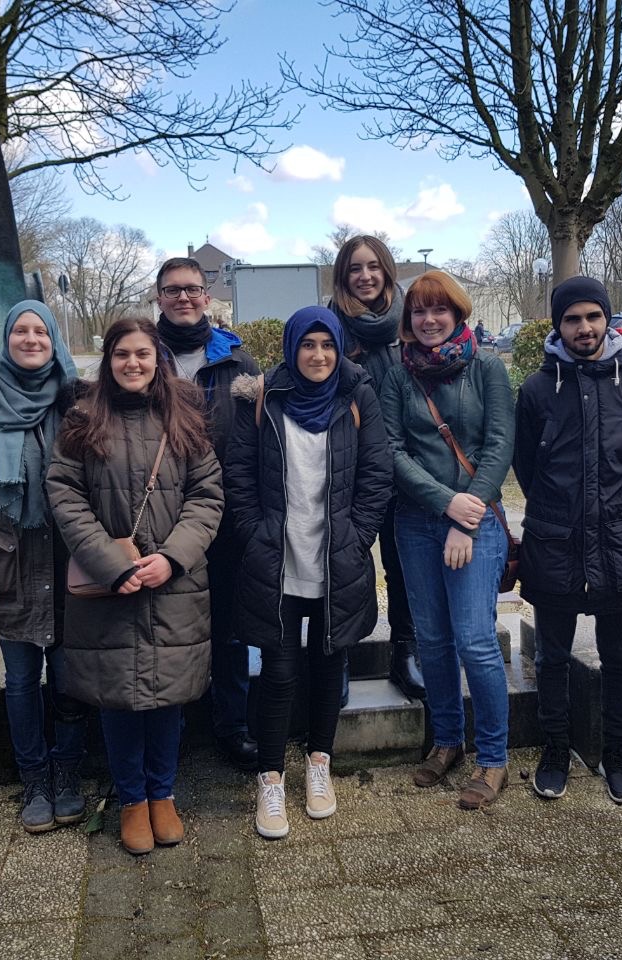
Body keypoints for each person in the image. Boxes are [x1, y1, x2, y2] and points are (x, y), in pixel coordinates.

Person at [47, 316, 223, 856]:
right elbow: (65, 496)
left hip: (174, 585)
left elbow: (207, 496)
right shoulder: (83, 419)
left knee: (168, 696)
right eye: (122, 354)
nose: (133, 363)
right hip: (111, 589)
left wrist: (173, 558)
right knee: (117, 697)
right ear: (108, 360)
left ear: (157, 360)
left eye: (143, 354)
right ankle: (130, 799)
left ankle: (162, 793)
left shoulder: (184, 417)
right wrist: (111, 564)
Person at [227, 306, 393, 839]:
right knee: (277, 673)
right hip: (278, 562)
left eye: (327, 345)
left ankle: (319, 763)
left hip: (336, 561)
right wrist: (254, 534)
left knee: (328, 666)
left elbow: (377, 473)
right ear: (291, 347)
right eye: (307, 344)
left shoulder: (358, 396)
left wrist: (357, 537)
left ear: (339, 348)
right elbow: (239, 473)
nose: (318, 355)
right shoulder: (263, 397)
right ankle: (271, 777)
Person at [514, 276, 622, 805]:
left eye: (593, 316)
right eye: (572, 318)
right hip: (555, 543)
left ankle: (616, 754)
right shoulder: (536, 390)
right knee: (552, 658)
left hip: (621, 545)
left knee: (619, 660)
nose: (584, 327)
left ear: (607, 320)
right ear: (558, 325)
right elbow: (526, 467)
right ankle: (556, 751)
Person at [380, 270, 514, 809]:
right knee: (432, 640)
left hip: (477, 521)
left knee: (475, 640)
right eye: (419, 311)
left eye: (439, 310)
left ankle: (494, 758)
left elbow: (499, 445)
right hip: (415, 522)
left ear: (458, 313)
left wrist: (465, 515)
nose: (429, 320)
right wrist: (443, 503)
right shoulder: (398, 376)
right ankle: (447, 740)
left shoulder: (488, 368)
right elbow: (391, 450)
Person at [0, 300, 88, 834]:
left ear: (54, 340)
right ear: (6, 340)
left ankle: (68, 772)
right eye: (21, 331)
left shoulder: (77, 403)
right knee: (20, 681)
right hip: (11, 562)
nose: (31, 339)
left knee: (71, 677)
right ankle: (33, 779)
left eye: (41, 331)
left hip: (69, 559)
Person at [155, 257, 261, 770]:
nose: (184, 298)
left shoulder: (238, 361)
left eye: (192, 289)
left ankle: (232, 725)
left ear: (206, 296)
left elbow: (261, 438)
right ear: (158, 297)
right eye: (173, 289)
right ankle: (170, 729)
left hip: (227, 516)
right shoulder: (141, 355)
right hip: (160, 519)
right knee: (167, 627)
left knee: (230, 629)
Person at [328, 235, 425, 700]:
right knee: (345, 563)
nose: (365, 276)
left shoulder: (411, 324)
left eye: (373, 266)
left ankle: (405, 650)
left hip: (406, 465)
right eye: (354, 268)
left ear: (386, 270)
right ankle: (339, 653)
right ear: (342, 276)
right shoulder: (330, 327)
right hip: (350, 469)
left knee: (403, 564)